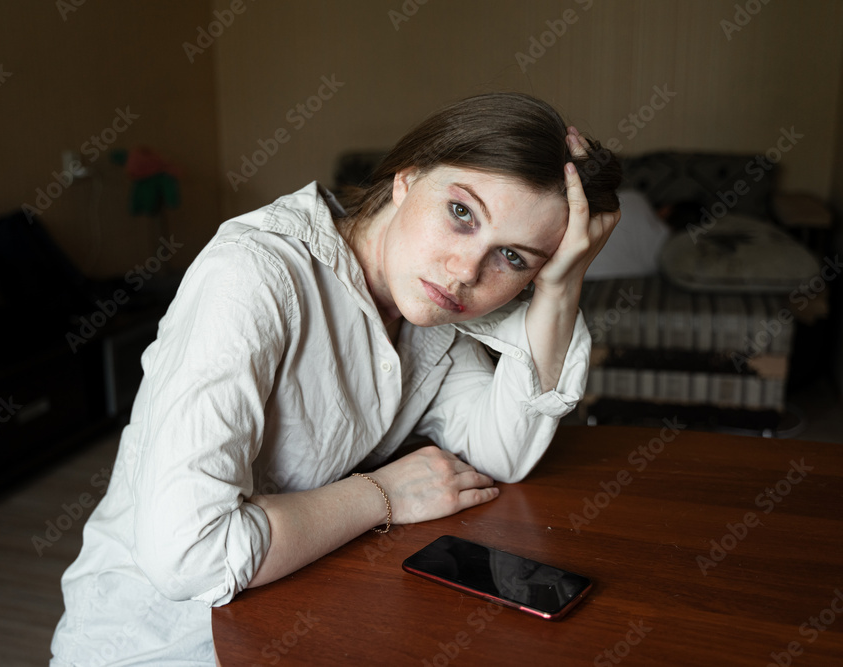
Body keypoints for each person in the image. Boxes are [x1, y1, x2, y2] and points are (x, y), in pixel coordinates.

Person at [49, 92, 622, 665]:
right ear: (408, 177)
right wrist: (384, 495)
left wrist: (560, 285)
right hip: (157, 643)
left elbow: (504, 453)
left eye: (514, 259)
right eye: (461, 213)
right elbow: (190, 556)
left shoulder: (426, 311)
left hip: (294, 618)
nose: (467, 271)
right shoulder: (255, 277)